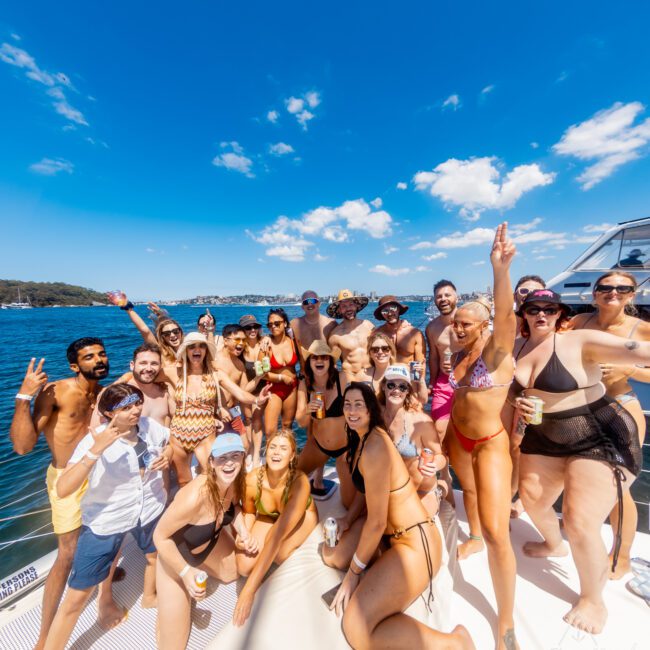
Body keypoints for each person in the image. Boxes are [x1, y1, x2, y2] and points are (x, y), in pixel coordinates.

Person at [512, 287, 648, 634]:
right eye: (533, 309)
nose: (541, 314)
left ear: (559, 314)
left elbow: (639, 350)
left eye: (549, 308)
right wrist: (517, 402)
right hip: (544, 436)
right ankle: (553, 546)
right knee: (532, 499)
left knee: (579, 519)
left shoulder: (579, 340)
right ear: (523, 314)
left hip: (595, 433)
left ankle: (593, 599)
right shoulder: (517, 347)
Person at [322, 383, 473, 650]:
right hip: (394, 539)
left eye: (359, 404)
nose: (352, 410)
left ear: (371, 410)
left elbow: (377, 521)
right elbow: (368, 490)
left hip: (415, 544)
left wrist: (354, 574)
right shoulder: (361, 440)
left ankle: (454, 644)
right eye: (348, 404)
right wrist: (348, 520)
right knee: (332, 555)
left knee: (356, 626)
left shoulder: (375, 446)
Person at [9, 338, 119, 649]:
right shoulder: (56, 392)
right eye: (89, 357)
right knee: (67, 554)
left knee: (108, 533)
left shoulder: (103, 393)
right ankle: (45, 636)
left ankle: (103, 583)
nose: (98, 360)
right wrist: (23, 397)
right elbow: (22, 447)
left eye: (101, 354)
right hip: (67, 478)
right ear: (75, 365)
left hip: (100, 474)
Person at [43, 383, 171, 649]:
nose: (135, 410)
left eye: (136, 403)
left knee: (153, 555)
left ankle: (148, 596)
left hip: (148, 510)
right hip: (107, 521)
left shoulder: (149, 426)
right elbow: (64, 488)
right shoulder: (94, 440)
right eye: (125, 408)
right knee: (76, 598)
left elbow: (169, 442)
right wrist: (95, 451)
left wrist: (167, 456)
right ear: (109, 413)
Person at [446, 223, 518, 650]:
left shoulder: (494, 350)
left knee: (497, 533)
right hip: (457, 435)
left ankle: (505, 621)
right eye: (455, 321)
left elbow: (507, 317)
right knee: (467, 494)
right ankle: (470, 535)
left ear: (484, 324)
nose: (456, 327)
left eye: (465, 323)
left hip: (489, 440)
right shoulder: (458, 353)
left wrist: (500, 270)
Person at [570, 272, 650, 579]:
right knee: (581, 480)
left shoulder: (641, 329)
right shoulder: (579, 324)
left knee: (620, 488)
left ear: (632, 295)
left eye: (621, 288)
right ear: (594, 294)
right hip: (580, 410)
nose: (612, 292)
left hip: (620, 409)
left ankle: (623, 554)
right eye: (605, 287)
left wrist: (629, 368)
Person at [154, 433, 258, 650]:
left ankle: (196, 570)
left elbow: (234, 508)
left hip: (210, 543)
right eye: (222, 458)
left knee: (233, 573)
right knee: (174, 645)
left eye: (235, 456)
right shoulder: (194, 496)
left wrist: (243, 532)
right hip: (176, 557)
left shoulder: (235, 479)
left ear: (242, 458)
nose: (229, 463)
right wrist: (185, 572)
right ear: (211, 462)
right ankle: (167, 605)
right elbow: (160, 537)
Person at [233, 429, 318, 626]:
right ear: (266, 450)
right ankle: (263, 565)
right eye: (272, 447)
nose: (276, 452)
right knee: (244, 566)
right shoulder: (252, 480)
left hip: (304, 517)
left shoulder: (300, 482)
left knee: (280, 553)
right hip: (268, 516)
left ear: (292, 456)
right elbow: (248, 511)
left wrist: (248, 591)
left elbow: (276, 535)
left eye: (283, 448)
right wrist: (244, 533)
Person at [170, 332, 270, 486]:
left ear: (206, 351)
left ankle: (214, 506)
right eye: (192, 346)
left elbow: (240, 393)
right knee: (183, 480)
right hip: (178, 434)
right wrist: (125, 381)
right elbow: (147, 373)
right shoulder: (175, 372)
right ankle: (194, 509)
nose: (197, 350)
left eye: (201, 346)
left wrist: (257, 399)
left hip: (205, 434)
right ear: (185, 351)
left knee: (211, 477)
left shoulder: (216, 374)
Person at [379, 364, 447, 518]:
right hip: (392, 489)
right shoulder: (376, 415)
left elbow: (441, 456)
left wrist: (434, 464)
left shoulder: (420, 422)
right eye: (391, 385)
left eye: (402, 387)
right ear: (383, 386)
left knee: (412, 528)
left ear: (408, 391)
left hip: (421, 491)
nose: (396, 390)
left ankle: (441, 489)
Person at [295, 340, 353, 504]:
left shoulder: (342, 378)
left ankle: (318, 479)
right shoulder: (304, 385)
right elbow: (301, 422)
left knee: (348, 502)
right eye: (315, 358)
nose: (319, 361)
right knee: (291, 480)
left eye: (324, 358)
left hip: (344, 449)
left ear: (330, 361)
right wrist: (307, 409)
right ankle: (315, 481)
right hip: (318, 446)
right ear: (309, 362)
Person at [509, 275, 546, 518]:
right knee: (515, 448)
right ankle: (513, 496)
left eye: (536, 292)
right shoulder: (509, 328)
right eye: (523, 290)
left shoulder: (560, 327)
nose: (528, 294)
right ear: (516, 295)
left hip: (554, 404)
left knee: (551, 455)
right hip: (521, 401)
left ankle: (529, 500)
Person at [106, 291, 183, 384]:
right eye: (167, 333)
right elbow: (144, 330)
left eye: (175, 331)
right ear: (162, 337)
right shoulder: (162, 353)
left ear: (181, 332)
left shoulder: (191, 350)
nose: (172, 335)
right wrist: (127, 307)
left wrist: (161, 315)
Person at [260, 308, 299, 435]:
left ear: (285, 324)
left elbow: (305, 362)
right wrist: (281, 378)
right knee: (270, 430)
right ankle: (270, 454)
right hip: (273, 388)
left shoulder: (294, 342)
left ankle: (288, 454)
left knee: (287, 426)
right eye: (270, 325)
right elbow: (262, 374)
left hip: (292, 387)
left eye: (277, 323)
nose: (273, 327)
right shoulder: (266, 345)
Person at [239, 314, 269, 467]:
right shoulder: (240, 349)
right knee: (248, 420)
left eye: (255, 327)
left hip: (261, 390)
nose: (252, 330)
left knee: (257, 421)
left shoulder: (264, 343)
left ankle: (256, 454)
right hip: (245, 389)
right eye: (248, 327)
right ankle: (249, 450)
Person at [327, 289, 375, 380]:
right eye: (344, 306)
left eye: (351, 304)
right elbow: (332, 364)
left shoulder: (368, 325)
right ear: (339, 310)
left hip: (372, 377)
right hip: (352, 380)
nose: (348, 308)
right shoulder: (335, 335)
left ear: (356, 306)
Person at [289, 290, 337, 370]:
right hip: (305, 373)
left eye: (313, 301)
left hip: (327, 373)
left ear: (319, 304)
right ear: (302, 306)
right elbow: (280, 339)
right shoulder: (294, 324)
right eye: (306, 302)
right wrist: (266, 339)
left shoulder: (331, 324)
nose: (310, 304)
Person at [373, 295, 426, 364]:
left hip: (408, 373)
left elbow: (421, 364)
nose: (389, 313)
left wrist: (421, 374)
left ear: (398, 309)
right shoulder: (377, 334)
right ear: (381, 314)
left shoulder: (415, 334)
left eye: (393, 308)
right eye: (385, 311)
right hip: (385, 374)